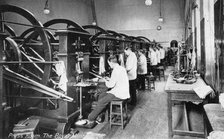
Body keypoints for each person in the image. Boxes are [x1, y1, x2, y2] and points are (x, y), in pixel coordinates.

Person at [85, 55, 130, 127]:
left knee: (102, 101)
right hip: (123, 91)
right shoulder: (121, 68)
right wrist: (110, 79)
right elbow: (117, 80)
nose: (109, 65)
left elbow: (110, 85)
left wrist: (105, 80)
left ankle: (90, 118)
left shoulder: (115, 70)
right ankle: (100, 116)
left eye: (109, 64)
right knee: (102, 96)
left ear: (111, 63)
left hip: (119, 94)